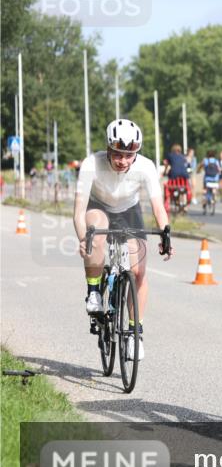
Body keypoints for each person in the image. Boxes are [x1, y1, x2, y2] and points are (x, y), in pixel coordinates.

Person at [74, 119, 173, 361]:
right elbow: (78, 211)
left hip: (129, 212)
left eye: (129, 155)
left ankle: (134, 333)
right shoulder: (91, 164)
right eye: (118, 154)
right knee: (96, 232)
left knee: (138, 273)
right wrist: (82, 239)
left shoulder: (146, 166)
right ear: (108, 149)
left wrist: (165, 233)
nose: (123, 161)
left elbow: (158, 206)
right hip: (98, 207)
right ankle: (94, 291)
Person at [162, 144, 191, 209]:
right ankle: (185, 206)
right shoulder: (182, 156)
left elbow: (166, 164)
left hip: (174, 175)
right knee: (184, 188)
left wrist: (165, 172)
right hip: (184, 175)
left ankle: (172, 201)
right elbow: (186, 165)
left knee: (170, 187)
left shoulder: (170, 155)